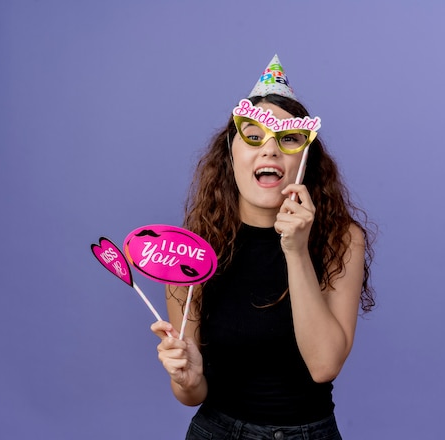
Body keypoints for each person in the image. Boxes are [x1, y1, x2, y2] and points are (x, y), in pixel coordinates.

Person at [151, 55, 376, 439]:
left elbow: (324, 366)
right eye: (253, 136)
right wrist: (186, 378)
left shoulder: (342, 239)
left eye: (288, 139)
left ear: (305, 158)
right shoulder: (193, 247)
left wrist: (296, 249)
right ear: (230, 151)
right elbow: (191, 393)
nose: (270, 151)